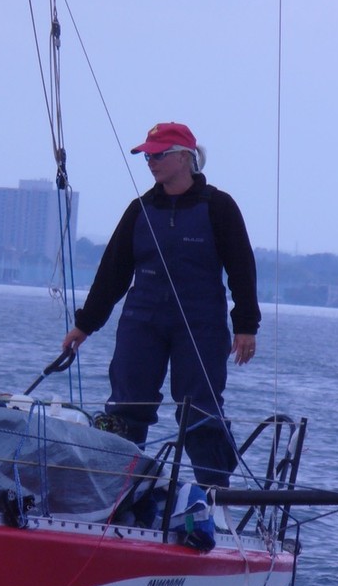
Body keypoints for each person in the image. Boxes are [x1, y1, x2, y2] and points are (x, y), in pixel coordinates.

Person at [62, 121, 260, 488]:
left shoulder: (219, 207)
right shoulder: (139, 210)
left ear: (185, 157)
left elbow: (241, 269)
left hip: (200, 324)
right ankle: (116, 488)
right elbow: (113, 273)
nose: (150, 161)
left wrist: (246, 326)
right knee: (126, 406)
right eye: (147, 155)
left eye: (158, 155)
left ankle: (214, 494)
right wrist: (85, 325)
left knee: (200, 410)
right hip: (142, 321)